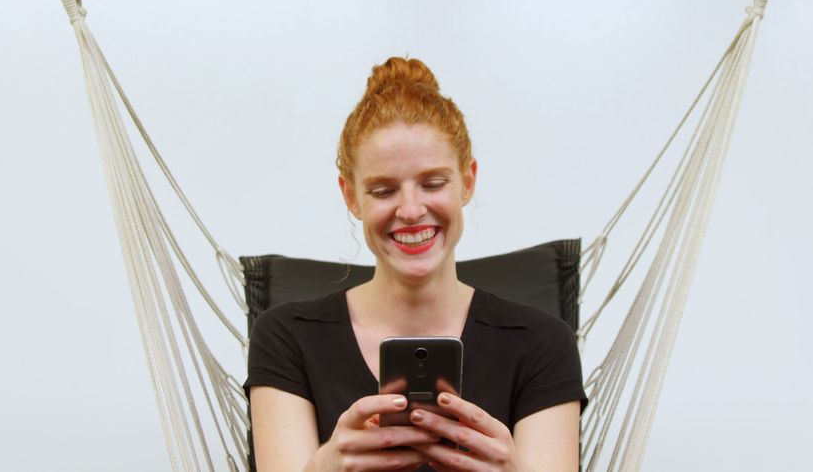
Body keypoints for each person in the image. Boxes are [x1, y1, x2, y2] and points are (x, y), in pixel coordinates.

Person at [245, 57, 586, 471]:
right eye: (384, 190)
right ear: (351, 196)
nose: (410, 210)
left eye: (433, 183)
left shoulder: (543, 343)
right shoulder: (285, 338)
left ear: (468, 180)